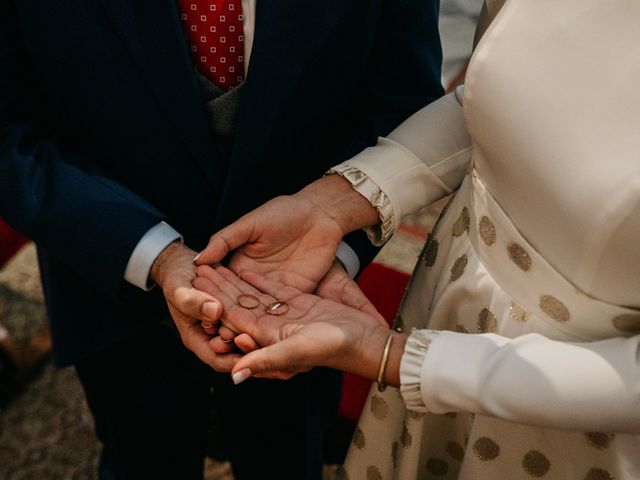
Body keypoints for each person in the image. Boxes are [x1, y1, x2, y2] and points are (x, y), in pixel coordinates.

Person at [192, 0, 640, 478]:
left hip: (575, 407)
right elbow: (492, 101)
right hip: (450, 301)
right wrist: (333, 203)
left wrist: (400, 358)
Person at [0, 0, 445, 478]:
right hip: (112, 280)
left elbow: (402, 105)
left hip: (303, 295)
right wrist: (151, 253)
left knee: (288, 457)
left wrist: (329, 251)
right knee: (143, 455)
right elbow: (10, 131)